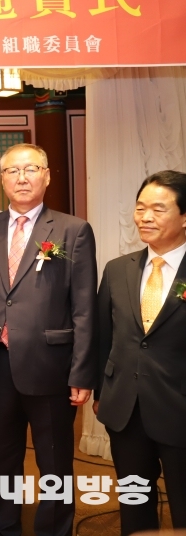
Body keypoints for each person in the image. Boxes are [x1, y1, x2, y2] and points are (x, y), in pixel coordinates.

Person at [0, 143, 97, 536]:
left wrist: (82, 372)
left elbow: (84, 306)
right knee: (1, 460)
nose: (21, 178)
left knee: (54, 461)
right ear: (1, 179)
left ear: (47, 175)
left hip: (51, 367)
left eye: (31, 169)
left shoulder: (73, 230)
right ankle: (3, 528)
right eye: (12, 171)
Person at [95, 170, 186, 535]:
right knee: (135, 507)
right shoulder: (118, 269)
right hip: (126, 411)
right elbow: (105, 336)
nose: (145, 217)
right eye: (140, 208)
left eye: (158, 209)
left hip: (179, 408)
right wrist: (102, 393)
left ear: (184, 217)